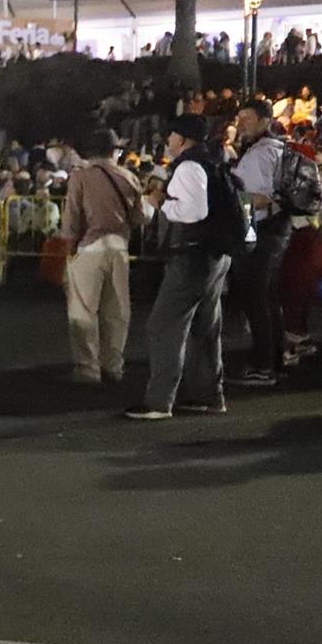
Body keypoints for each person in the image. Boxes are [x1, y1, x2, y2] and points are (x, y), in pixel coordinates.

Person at [126, 116, 241, 420]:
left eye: (172, 135)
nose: (168, 141)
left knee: (164, 325)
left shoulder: (189, 166)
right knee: (205, 327)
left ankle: (158, 401)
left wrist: (161, 202)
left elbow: (193, 212)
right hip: (215, 255)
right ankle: (209, 396)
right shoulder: (214, 162)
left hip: (192, 255)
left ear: (183, 138)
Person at [61, 130, 143, 385]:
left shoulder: (80, 176)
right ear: (114, 150)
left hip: (89, 247)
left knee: (83, 310)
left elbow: (72, 216)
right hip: (119, 248)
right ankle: (113, 366)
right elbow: (139, 218)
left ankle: (88, 368)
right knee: (117, 311)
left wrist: (69, 248)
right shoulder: (129, 177)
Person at [228, 99, 291, 388]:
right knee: (269, 297)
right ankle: (275, 359)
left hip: (261, 228)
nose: (241, 124)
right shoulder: (279, 148)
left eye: (248, 118)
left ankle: (264, 365)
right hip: (277, 227)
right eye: (239, 118)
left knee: (256, 298)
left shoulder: (259, 154)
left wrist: (236, 207)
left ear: (265, 120)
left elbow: (256, 198)